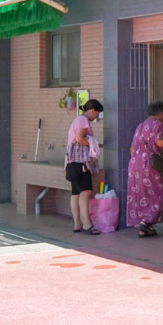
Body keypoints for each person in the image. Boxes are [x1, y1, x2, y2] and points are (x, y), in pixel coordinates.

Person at [126, 100, 163, 238]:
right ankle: (146, 222)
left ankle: (144, 226)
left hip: (134, 164)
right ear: (160, 113)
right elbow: (159, 142)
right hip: (149, 165)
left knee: (141, 195)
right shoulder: (157, 125)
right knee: (159, 194)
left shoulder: (140, 126)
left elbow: (132, 148)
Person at [65, 99, 104, 234]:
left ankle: (77, 224)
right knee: (86, 192)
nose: (97, 117)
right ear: (92, 110)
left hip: (71, 164)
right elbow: (79, 138)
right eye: (97, 113)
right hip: (80, 163)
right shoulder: (83, 120)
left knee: (75, 193)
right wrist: (92, 145)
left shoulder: (77, 120)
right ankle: (87, 223)